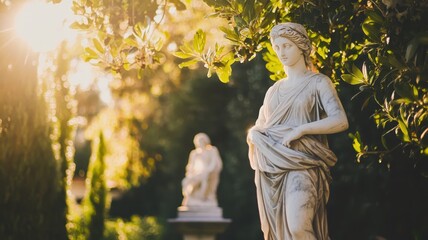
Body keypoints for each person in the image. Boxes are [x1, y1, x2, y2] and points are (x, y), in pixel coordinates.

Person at [247, 22, 349, 240]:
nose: (281, 52)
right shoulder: (273, 91)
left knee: (298, 226)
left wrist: (301, 130)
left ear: (301, 46)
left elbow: (340, 120)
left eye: (287, 46)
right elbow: (260, 125)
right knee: (283, 233)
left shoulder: (318, 82)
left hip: (303, 163)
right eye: (277, 47)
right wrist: (254, 134)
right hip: (274, 168)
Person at [182, 133, 223, 207]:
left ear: (205, 141)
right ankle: (190, 198)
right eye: (198, 141)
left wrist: (208, 170)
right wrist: (190, 174)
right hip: (196, 174)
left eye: (202, 140)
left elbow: (214, 163)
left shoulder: (212, 150)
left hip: (208, 173)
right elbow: (190, 166)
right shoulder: (194, 153)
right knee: (185, 181)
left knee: (204, 178)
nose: (200, 143)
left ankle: (203, 197)